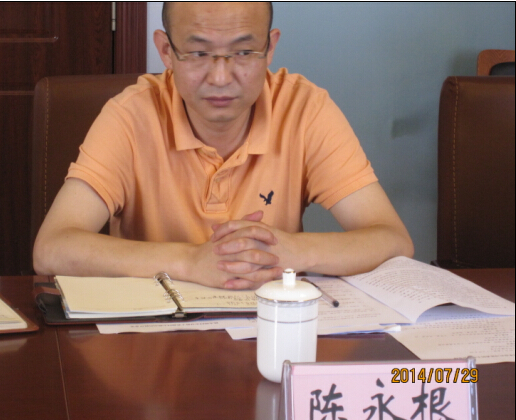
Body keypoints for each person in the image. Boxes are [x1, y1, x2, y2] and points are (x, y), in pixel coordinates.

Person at [33, 2, 413, 289]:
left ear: (270, 47)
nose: (220, 77)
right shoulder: (130, 116)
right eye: (199, 54)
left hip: (269, 333)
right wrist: (189, 262)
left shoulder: (305, 110)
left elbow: (394, 241)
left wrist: (288, 251)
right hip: (152, 341)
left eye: (243, 53)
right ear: (166, 51)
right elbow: (52, 248)